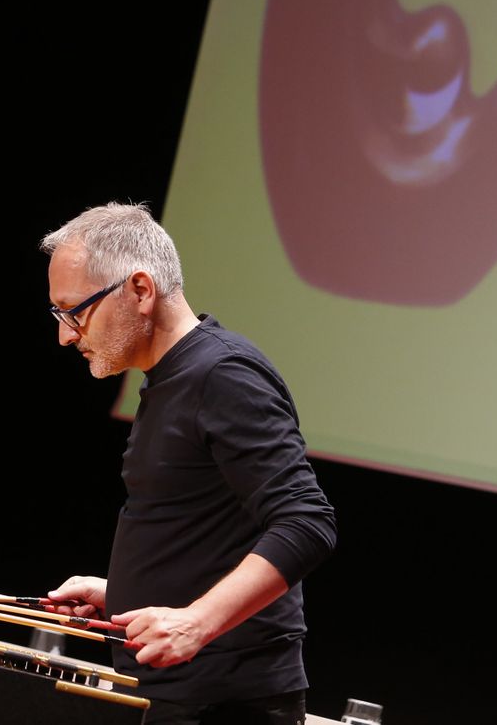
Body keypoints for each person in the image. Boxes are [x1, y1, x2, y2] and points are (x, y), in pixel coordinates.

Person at [41, 203, 336, 725]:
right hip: (180, 694)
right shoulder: (171, 379)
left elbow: (307, 522)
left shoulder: (222, 374)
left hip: (226, 704)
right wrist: (126, 594)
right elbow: (212, 530)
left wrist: (197, 621)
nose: (66, 335)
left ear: (140, 290)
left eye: (75, 312)